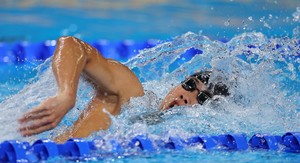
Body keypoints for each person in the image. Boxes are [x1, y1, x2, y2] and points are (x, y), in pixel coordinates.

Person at [18, 36, 229, 143]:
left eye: (201, 99)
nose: (186, 96)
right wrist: (66, 94)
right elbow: (71, 45)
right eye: (190, 85)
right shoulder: (131, 93)